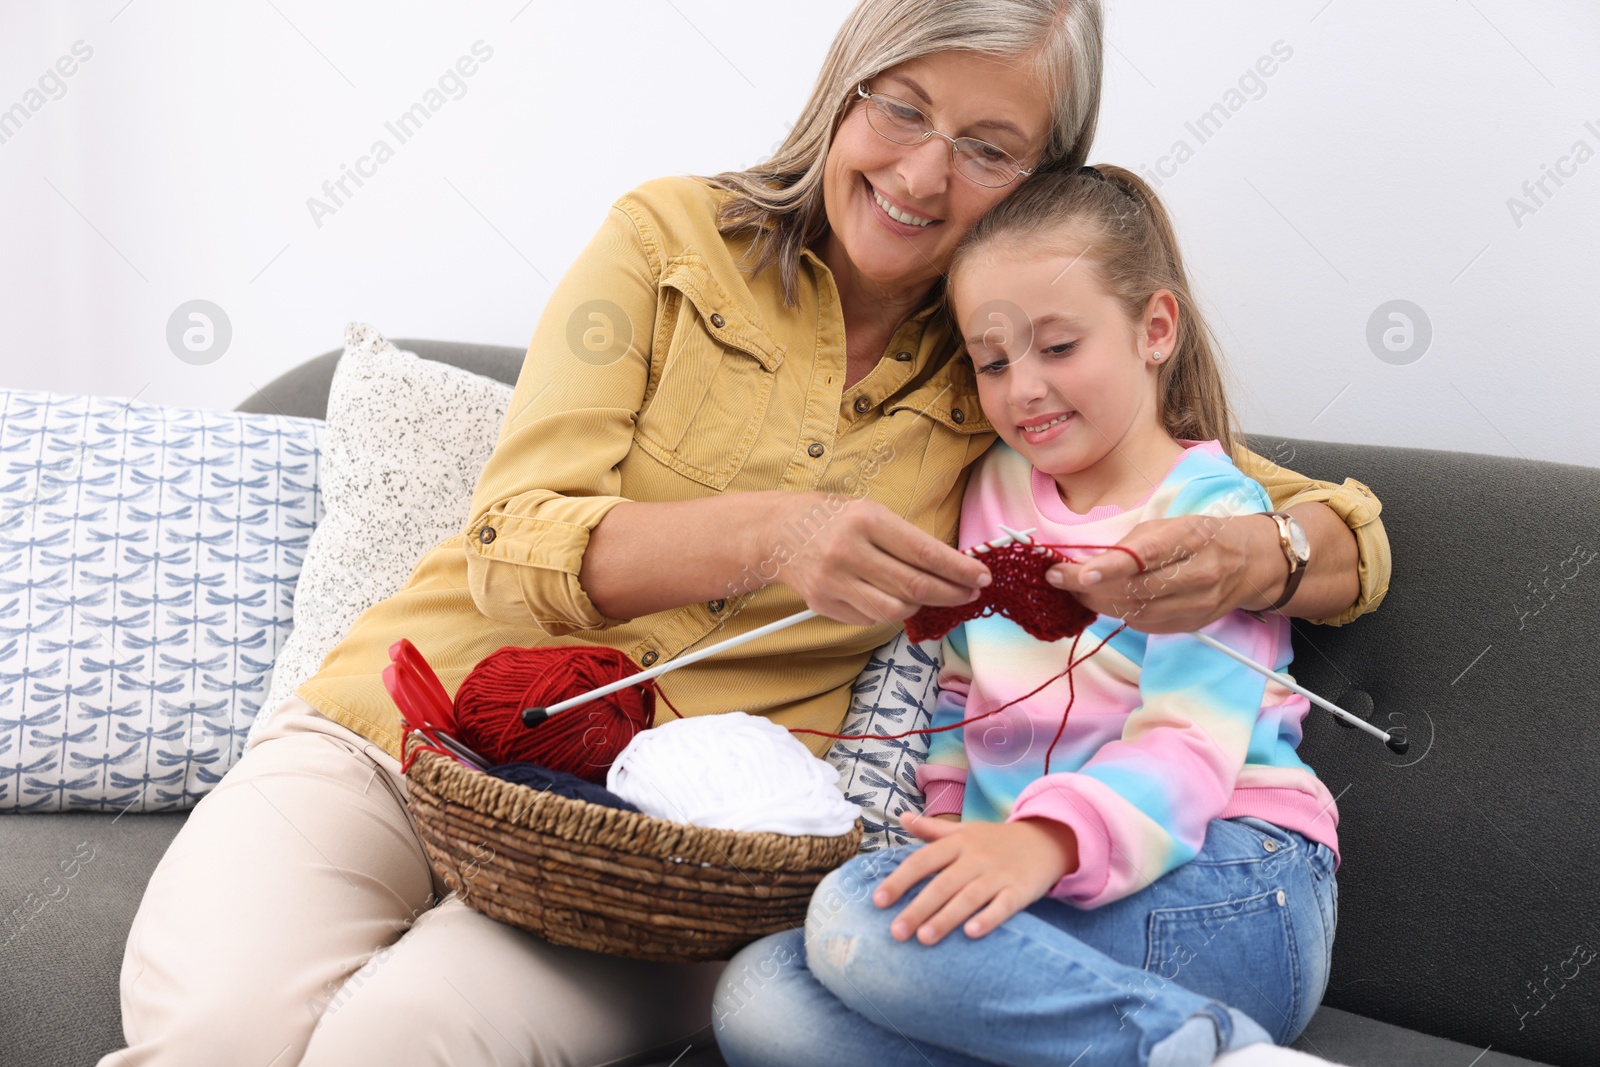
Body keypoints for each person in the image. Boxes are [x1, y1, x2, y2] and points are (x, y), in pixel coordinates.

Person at [99, 2, 1385, 1065]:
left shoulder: (1012, 371)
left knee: (403, 1043)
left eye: (989, 147)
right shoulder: (668, 241)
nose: (924, 172)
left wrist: (1264, 556)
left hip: (672, 849)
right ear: (843, 89)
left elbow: (1309, 524)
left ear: (1038, 180)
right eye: (900, 105)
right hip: (405, 728)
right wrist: (769, 533)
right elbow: (510, 537)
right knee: (212, 1029)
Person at [711, 164, 1343, 1067]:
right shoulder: (995, 488)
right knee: (761, 996)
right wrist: (950, 837)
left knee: (860, 911)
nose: (1025, 389)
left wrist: (1039, 842)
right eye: (994, 360)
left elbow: (1188, 752)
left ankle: (1209, 1048)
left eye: (1058, 347)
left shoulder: (1208, 521)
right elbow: (963, 690)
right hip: (1042, 890)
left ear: (1154, 328)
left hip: (1234, 883)